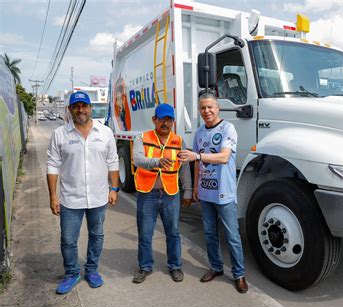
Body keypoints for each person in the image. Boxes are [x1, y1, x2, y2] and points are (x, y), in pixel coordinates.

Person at [47, 91, 119, 294]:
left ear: (90, 108)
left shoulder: (105, 133)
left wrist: (114, 188)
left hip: (98, 197)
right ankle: (71, 273)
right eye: (76, 106)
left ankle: (92, 270)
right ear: (70, 109)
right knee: (68, 239)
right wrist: (53, 196)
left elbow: (112, 161)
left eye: (84, 106)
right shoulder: (60, 134)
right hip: (70, 198)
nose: (81, 110)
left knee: (97, 235)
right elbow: (52, 165)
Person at [179, 93, 248, 294]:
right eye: (202, 108)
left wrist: (198, 155)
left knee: (232, 235)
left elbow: (225, 157)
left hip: (224, 193)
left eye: (210, 107)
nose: (207, 111)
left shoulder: (228, 128)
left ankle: (239, 274)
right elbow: (197, 164)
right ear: (199, 111)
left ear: (217, 108)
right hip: (206, 194)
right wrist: (196, 189)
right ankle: (216, 267)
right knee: (210, 234)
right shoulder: (199, 133)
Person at [132, 103, 192, 284]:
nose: (166, 123)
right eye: (162, 119)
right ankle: (145, 267)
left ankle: (175, 266)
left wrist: (188, 191)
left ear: (173, 121)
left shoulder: (179, 141)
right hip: (147, 193)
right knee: (145, 233)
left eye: (169, 119)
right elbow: (138, 159)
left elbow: (185, 168)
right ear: (154, 120)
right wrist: (157, 162)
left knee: (173, 233)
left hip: (170, 193)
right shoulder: (142, 137)